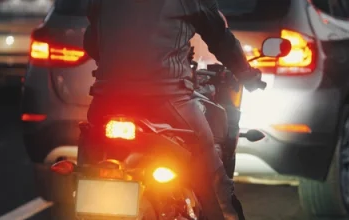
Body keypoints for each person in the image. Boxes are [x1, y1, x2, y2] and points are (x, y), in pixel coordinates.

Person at [81, 0, 265, 219]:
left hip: (106, 100)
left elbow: (92, 40)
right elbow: (220, 38)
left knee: (89, 166)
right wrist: (247, 75)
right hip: (167, 99)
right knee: (212, 176)